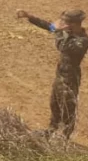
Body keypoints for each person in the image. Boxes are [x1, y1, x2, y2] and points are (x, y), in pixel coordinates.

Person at [16, 9, 88, 139]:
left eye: (66, 22)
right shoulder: (68, 32)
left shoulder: (81, 40)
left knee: (67, 107)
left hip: (70, 78)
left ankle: (64, 136)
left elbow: (63, 47)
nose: (63, 24)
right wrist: (30, 16)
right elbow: (49, 26)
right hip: (60, 75)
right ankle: (52, 129)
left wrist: (60, 31)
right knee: (54, 103)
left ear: (75, 24)